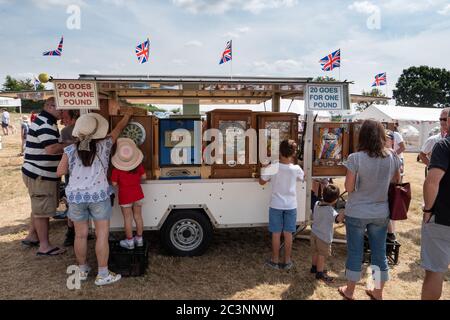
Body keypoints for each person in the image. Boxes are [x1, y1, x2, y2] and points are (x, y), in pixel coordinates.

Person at [57, 110, 132, 286]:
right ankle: (103, 274)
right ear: (98, 131)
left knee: (80, 236)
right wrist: (127, 117)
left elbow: (60, 171)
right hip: (98, 195)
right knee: (101, 235)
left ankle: (82, 270)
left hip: (76, 197)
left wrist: (76, 170)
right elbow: (118, 129)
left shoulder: (69, 149)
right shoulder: (105, 145)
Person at [338, 120, 401, 300]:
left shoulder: (355, 158)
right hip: (381, 211)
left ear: (362, 136)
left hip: (357, 211)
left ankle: (350, 290)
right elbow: (396, 181)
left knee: (355, 252)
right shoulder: (393, 156)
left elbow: (349, 188)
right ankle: (378, 292)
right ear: (381, 136)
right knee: (379, 252)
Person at [21, 98, 67, 255]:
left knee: (38, 207)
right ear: (49, 106)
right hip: (40, 174)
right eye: (60, 108)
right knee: (42, 211)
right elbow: (52, 149)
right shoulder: (45, 123)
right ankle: (45, 246)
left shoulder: (47, 121)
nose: (62, 112)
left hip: (38, 173)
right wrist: (72, 144)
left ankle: (33, 236)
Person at [259, 139, 304, 270]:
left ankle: (274, 260)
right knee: (288, 233)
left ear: (279, 152)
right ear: (293, 153)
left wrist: (264, 168)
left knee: (276, 233)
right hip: (291, 205)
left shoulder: (273, 167)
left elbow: (261, 182)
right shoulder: (296, 169)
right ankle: (287, 261)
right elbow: (303, 177)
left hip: (276, 205)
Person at [421, 115, 450, 300]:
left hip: (442, 217)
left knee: (435, 270)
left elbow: (432, 182)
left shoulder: (443, 145)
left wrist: (427, 210)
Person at [111, 138, 146, 249]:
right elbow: (144, 177)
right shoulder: (138, 166)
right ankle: (139, 239)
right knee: (138, 216)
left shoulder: (116, 170)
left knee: (128, 218)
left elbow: (114, 183)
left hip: (125, 195)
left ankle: (130, 241)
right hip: (138, 193)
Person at [310, 184, 344, 283]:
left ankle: (314, 267)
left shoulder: (316, 204)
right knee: (322, 255)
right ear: (335, 200)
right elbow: (338, 220)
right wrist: (344, 212)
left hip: (314, 233)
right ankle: (319, 273)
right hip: (324, 237)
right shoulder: (330, 211)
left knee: (315, 252)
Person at [59, 110, 79, 246]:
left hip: (71, 173)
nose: (63, 119)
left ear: (73, 117)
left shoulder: (66, 131)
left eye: (66, 117)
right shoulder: (66, 130)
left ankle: (72, 233)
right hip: (72, 173)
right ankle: (72, 233)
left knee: (72, 204)